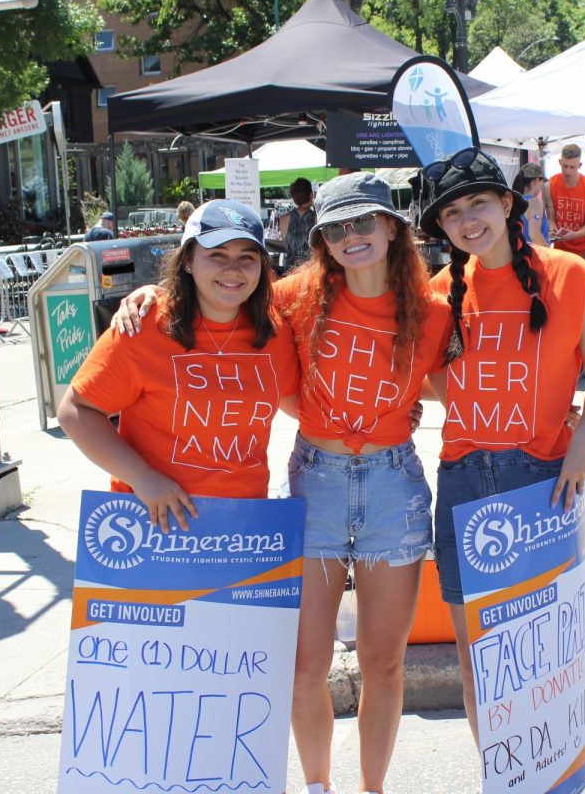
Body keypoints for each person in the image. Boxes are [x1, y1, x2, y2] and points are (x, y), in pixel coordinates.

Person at [112, 173, 452, 794]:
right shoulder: (295, 296)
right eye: (338, 227)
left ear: (392, 227)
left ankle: (372, 788)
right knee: (303, 668)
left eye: (364, 222)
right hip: (315, 484)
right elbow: (217, 291)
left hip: (393, 486)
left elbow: (452, 380)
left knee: (384, 662)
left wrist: (557, 411)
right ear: (321, 238)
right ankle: (318, 785)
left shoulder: (431, 310)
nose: (353, 236)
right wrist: (144, 297)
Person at [416, 146, 585, 743]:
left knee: (547, 649)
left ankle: (554, 770)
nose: (467, 220)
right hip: (463, 480)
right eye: (451, 213)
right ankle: (502, 775)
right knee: (481, 654)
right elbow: (430, 379)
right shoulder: (438, 292)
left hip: (545, 478)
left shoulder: (570, 275)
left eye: (478, 203)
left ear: (507, 203)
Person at [57, 198, 300, 530]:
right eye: (217, 255)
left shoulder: (274, 333)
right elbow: (75, 410)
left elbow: (304, 406)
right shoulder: (143, 324)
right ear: (188, 260)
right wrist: (142, 478)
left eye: (247, 257)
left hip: (243, 529)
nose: (233, 269)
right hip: (152, 524)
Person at [545, 143, 585, 260]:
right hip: (561, 248)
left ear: (579, 165)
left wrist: (574, 235)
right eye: (565, 166)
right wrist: (553, 228)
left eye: (572, 167)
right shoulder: (550, 185)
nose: (568, 171)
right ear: (560, 162)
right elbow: (551, 218)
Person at [278, 177, 316, 264]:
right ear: (310, 195)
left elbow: (286, 246)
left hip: (290, 270)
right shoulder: (317, 218)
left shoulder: (284, 219)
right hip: (311, 269)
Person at [511, 162, 549, 247]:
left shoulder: (513, 202)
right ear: (536, 180)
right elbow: (534, 235)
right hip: (534, 255)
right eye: (542, 181)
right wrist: (550, 256)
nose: (542, 185)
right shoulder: (534, 202)